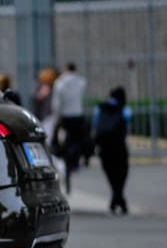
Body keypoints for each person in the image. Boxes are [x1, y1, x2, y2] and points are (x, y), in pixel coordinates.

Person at [92, 86, 131, 215]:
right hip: (119, 146)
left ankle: (116, 198)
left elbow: (95, 125)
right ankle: (118, 198)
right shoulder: (125, 109)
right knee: (121, 173)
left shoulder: (99, 108)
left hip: (104, 147)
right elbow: (127, 122)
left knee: (110, 174)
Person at [51, 61, 89, 193]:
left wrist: (57, 117)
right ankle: (80, 157)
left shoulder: (60, 83)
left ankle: (57, 152)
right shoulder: (81, 82)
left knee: (55, 138)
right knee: (82, 139)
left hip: (65, 117)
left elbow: (56, 104)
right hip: (77, 117)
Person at [32, 66, 58, 144]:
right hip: (46, 115)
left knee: (47, 137)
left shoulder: (49, 87)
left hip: (45, 115)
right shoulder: (43, 87)